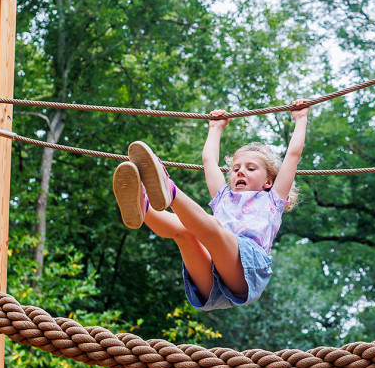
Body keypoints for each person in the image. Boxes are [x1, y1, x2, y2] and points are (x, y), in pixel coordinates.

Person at [112, 99, 309, 311]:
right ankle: (144, 207)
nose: (240, 172)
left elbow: (292, 156)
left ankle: (169, 189)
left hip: (246, 273)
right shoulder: (224, 197)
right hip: (210, 274)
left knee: (213, 229)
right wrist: (215, 128)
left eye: (250, 168)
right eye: (235, 169)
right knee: (184, 232)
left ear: (268, 181)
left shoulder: (273, 199)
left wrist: (301, 119)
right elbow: (209, 161)